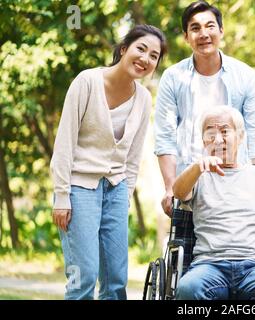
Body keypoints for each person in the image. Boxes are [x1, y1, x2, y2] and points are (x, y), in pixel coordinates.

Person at [50, 24, 167, 300]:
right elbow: (65, 141)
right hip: (79, 188)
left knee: (116, 280)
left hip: (115, 190)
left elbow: (133, 157)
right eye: (141, 49)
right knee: (84, 277)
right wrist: (61, 195)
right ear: (124, 49)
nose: (146, 59)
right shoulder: (87, 82)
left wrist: (125, 195)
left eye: (154, 56)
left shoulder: (143, 99)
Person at [172, 105, 255, 300]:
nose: (218, 139)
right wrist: (197, 168)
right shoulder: (197, 176)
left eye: (225, 131)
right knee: (188, 288)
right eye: (210, 133)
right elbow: (178, 192)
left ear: (240, 136)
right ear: (203, 141)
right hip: (209, 266)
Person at [154, 1, 255, 216]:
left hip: (236, 183)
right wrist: (170, 188)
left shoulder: (245, 76)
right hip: (190, 184)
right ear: (186, 36)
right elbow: (165, 137)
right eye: (195, 28)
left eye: (210, 26)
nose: (203, 34)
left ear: (221, 30)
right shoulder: (172, 78)